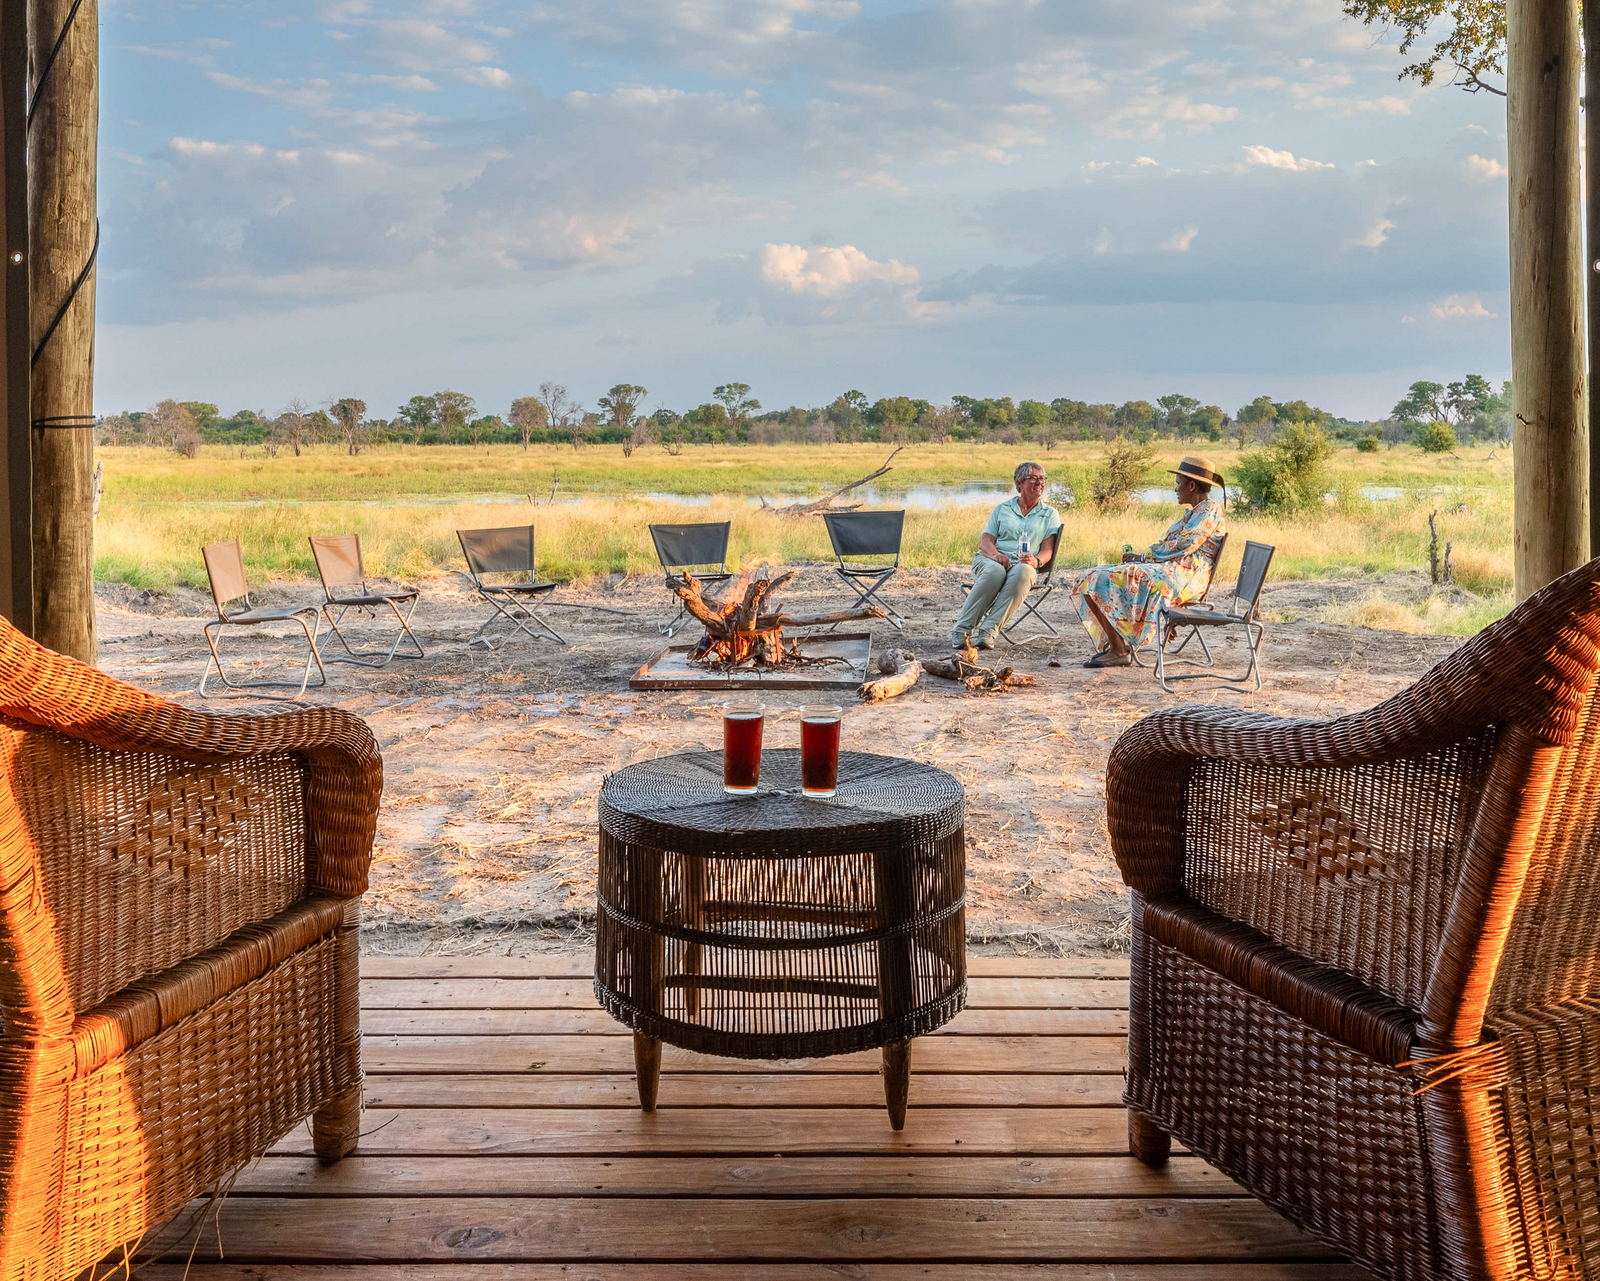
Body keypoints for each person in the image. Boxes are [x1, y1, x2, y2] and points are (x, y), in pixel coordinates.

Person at [1068, 454, 1226, 669]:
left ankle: (1119, 650)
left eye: (1178, 483)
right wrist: (1142, 558)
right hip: (1172, 570)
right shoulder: (1195, 512)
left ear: (1191, 485)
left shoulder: (1210, 510)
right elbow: (1173, 546)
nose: (1175, 489)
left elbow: (1183, 546)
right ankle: (1117, 643)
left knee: (1119, 576)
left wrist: (1143, 557)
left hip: (1187, 576)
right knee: (1089, 577)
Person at [951, 461, 1062, 649]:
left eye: (1042, 478)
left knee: (1024, 572)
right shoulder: (1002, 509)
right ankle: (961, 630)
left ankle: (988, 630)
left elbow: (1048, 549)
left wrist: (1036, 561)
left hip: (1023, 565)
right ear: (1019, 483)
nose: (1039, 482)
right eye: (1033, 478)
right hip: (990, 560)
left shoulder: (1049, 514)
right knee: (996, 571)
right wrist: (995, 556)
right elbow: (985, 541)